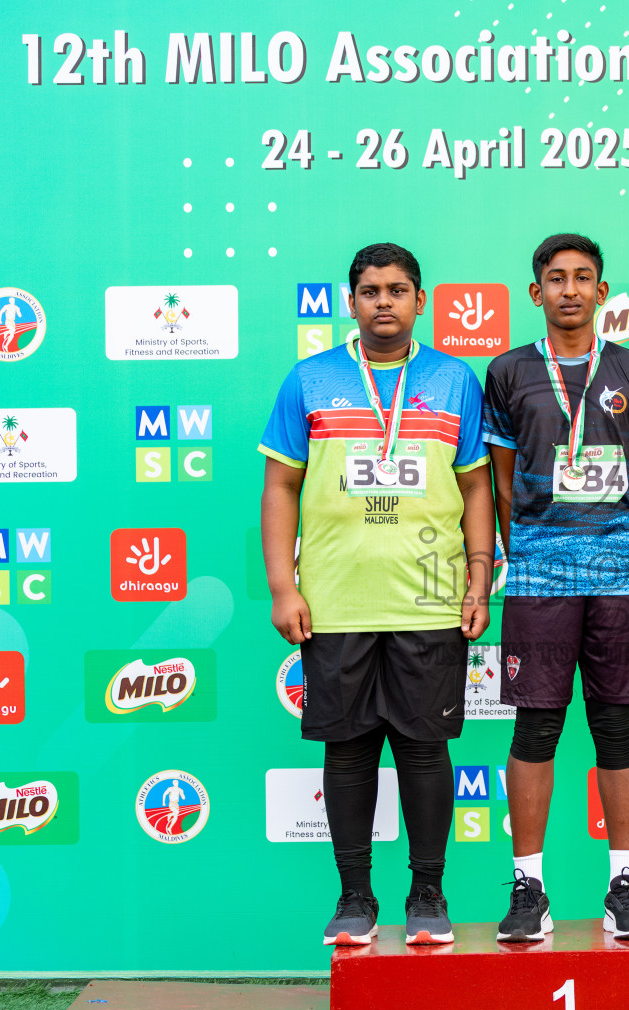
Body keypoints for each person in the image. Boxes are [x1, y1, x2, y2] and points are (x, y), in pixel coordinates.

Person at [259, 242, 494, 947]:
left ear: (420, 300)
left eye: (397, 290)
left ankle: (428, 894)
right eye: (370, 290)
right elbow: (280, 488)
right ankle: (355, 898)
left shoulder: (454, 379)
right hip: (335, 600)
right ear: (351, 301)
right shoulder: (311, 379)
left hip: (429, 594)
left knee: (425, 750)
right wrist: (282, 585)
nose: (383, 301)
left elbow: (478, 485)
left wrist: (480, 575)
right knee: (349, 751)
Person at [483, 233, 629, 942]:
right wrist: (523, 547)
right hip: (537, 575)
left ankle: (625, 884)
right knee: (537, 726)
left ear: (602, 290)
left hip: (617, 574)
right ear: (536, 293)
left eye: (582, 278)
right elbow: (499, 481)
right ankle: (528, 889)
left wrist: (623, 542)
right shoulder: (507, 373)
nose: (568, 290)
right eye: (554, 279)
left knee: (617, 725)